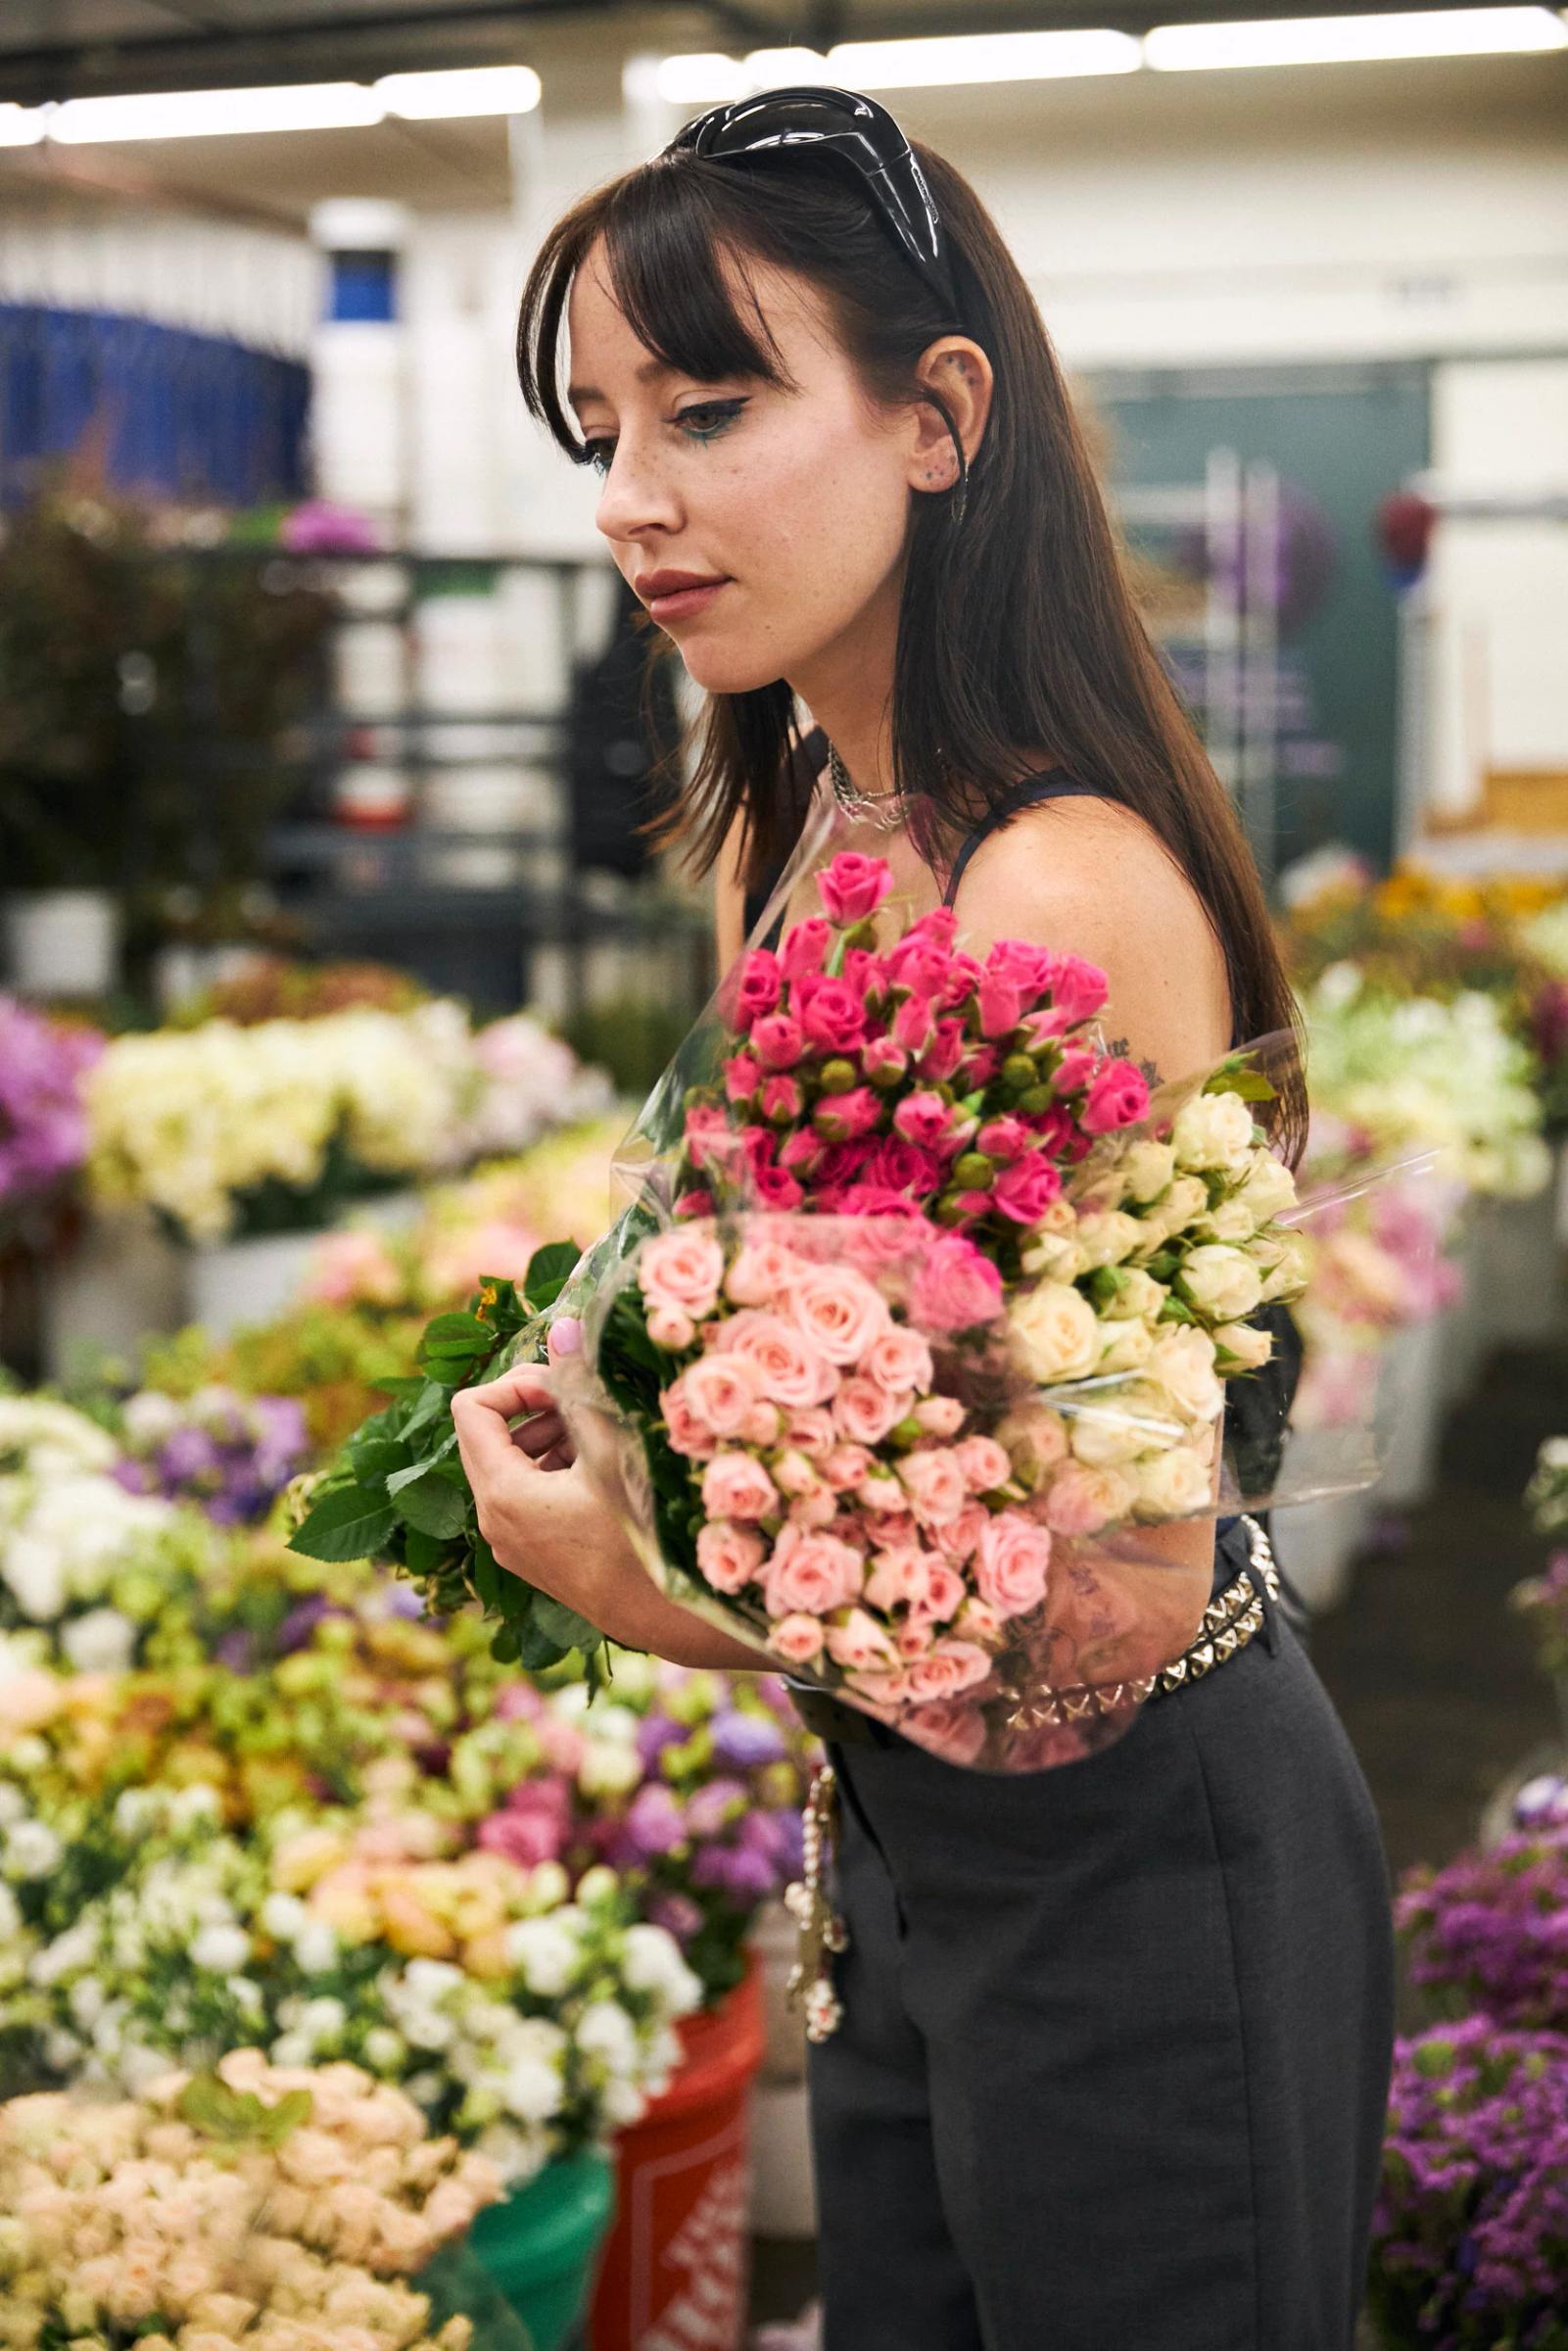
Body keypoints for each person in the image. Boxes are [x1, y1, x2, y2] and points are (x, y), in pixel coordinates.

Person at [451, 87, 1394, 2351]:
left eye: (712, 404)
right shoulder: (827, 836)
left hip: (1136, 1860)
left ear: (939, 417)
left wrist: (646, 1585)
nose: (635, 502)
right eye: (600, 430)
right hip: (916, 1844)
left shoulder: (1047, 882)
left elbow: (1097, 1584)